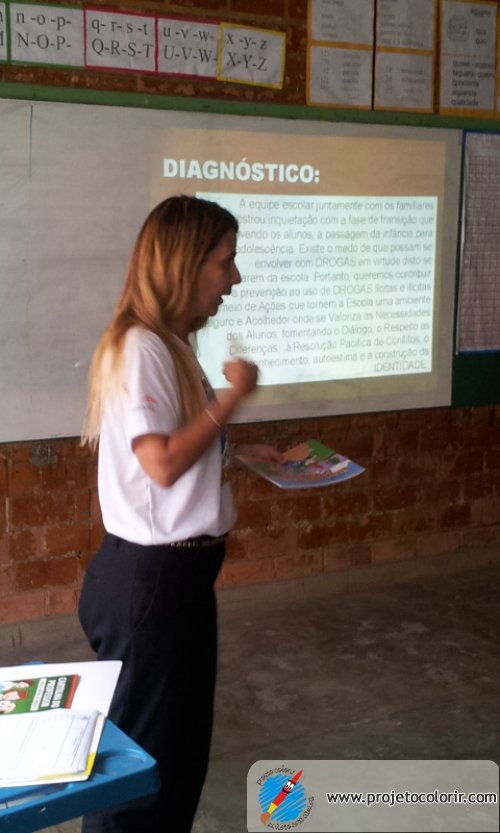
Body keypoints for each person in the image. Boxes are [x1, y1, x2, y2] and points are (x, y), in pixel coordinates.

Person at [78, 195, 281, 833]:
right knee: (139, 783)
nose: (234, 278)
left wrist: (238, 451)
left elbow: (167, 455)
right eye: (226, 261)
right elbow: (161, 463)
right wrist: (233, 397)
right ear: (185, 265)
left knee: (175, 761)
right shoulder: (142, 346)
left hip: (175, 583)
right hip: (152, 586)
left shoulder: (166, 345)